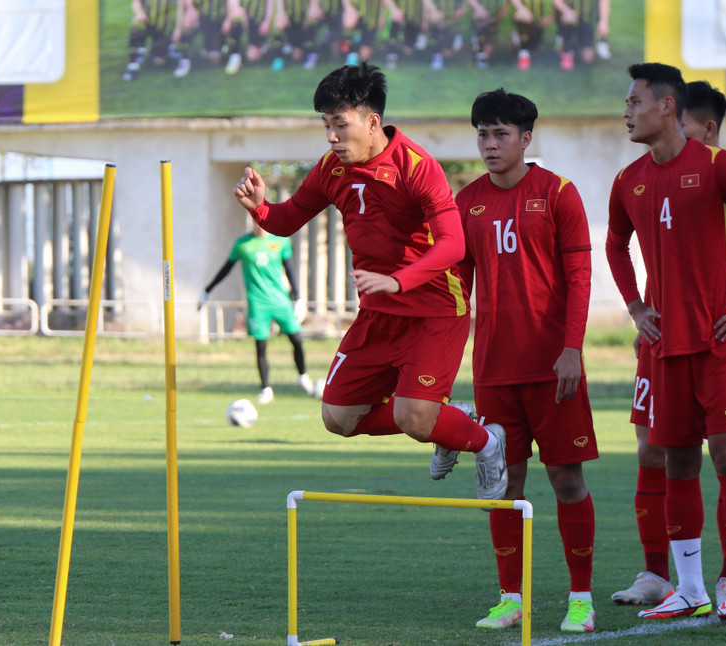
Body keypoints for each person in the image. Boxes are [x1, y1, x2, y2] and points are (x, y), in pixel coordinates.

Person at [232, 62, 508, 507]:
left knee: (415, 418)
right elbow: (286, 220)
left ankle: (488, 444)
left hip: (434, 313)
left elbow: (454, 245)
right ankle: (447, 420)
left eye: (339, 124)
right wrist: (261, 209)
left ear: (372, 121)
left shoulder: (418, 168)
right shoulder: (330, 169)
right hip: (378, 315)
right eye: (326, 125)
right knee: (338, 417)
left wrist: (398, 282)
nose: (331, 137)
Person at [605, 62, 726, 622]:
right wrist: (636, 305)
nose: (627, 112)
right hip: (666, 347)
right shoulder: (628, 180)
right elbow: (615, 244)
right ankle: (688, 588)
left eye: (635, 102)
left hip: (720, 340)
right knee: (678, 463)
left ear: (667, 107)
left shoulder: (718, 166)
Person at [445, 88, 597, 633]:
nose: (489, 144)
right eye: (482, 134)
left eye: (500, 134)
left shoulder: (558, 192)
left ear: (526, 138)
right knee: (503, 486)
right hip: (494, 369)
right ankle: (512, 598)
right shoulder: (465, 204)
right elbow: (457, 293)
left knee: (567, 483)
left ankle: (581, 598)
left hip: (554, 366)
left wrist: (572, 348)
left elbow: (580, 277)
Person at [199, 220, 315, 404]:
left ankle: (302, 376)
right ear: (252, 222)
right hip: (257, 303)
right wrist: (207, 290)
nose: (259, 225)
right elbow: (226, 269)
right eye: (255, 221)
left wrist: (298, 297)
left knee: (297, 339)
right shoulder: (243, 244)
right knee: (261, 346)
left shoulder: (281, 241)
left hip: (280, 300)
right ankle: (266, 389)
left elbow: (290, 269)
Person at [552, 0, 609, 70]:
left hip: (586, 19)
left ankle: (578, 47)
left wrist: (604, 21)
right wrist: (566, 11)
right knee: (567, 20)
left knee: (588, 58)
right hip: (568, 18)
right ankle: (565, 48)